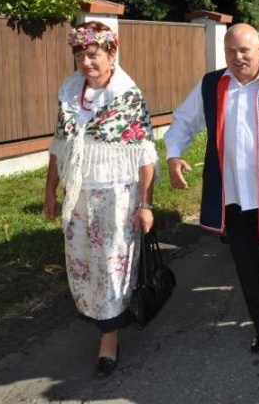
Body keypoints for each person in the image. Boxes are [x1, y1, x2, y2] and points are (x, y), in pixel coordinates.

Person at [164, 24, 259, 354]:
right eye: (230, 51)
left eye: (244, 50)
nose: (237, 57)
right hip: (232, 193)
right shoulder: (211, 85)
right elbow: (183, 121)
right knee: (245, 262)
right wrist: (174, 154)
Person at [44, 21, 157, 376]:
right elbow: (59, 145)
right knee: (81, 262)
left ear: (111, 53)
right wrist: (49, 191)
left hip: (117, 194)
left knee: (110, 266)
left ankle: (109, 337)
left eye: (93, 54)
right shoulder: (69, 90)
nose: (86, 62)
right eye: (80, 55)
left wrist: (146, 204)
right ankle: (97, 316)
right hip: (78, 193)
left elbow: (145, 154)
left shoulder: (127, 95)